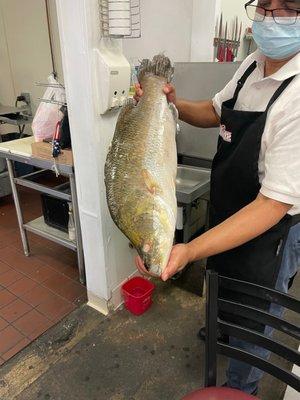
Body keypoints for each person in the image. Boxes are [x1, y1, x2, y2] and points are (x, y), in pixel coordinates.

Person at [134, 0, 300, 396]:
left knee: (255, 318)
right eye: (264, 5)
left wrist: (189, 250)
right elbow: (213, 111)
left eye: (287, 9)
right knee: (222, 286)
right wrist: (170, 104)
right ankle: (223, 327)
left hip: (270, 233)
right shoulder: (251, 65)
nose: (269, 17)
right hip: (229, 210)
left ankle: (242, 387)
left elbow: (271, 206)